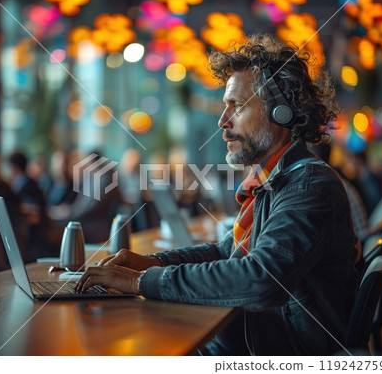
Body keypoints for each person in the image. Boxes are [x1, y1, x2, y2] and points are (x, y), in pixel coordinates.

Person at [76, 33, 359, 355]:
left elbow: (260, 279)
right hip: (262, 334)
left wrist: (141, 283)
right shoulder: (276, 180)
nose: (222, 122)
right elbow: (229, 251)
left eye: (236, 107)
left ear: (281, 113)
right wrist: (150, 262)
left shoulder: (308, 186)